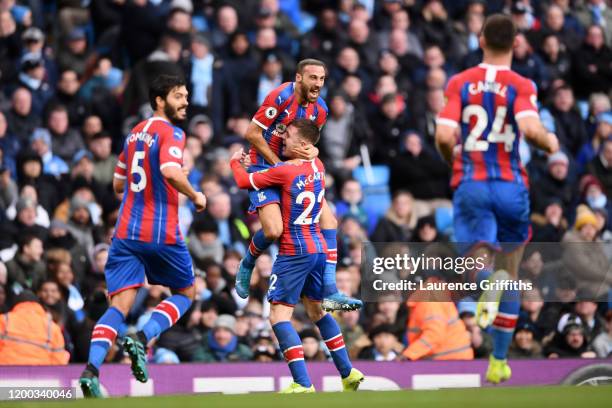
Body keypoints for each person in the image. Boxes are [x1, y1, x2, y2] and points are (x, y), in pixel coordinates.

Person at [435, 14, 559, 384]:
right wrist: (549, 142)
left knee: (475, 265)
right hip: (511, 187)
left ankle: (487, 280)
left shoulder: (460, 81)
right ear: (516, 42)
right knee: (512, 272)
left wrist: (452, 159)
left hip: (472, 182)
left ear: (481, 38)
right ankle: (499, 361)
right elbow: (530, 128)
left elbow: (444, 135)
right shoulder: (521, 83)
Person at [78, 75, 207, 398]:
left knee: (118, 306)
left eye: (186, 96)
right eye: (179, 96)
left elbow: (119, 185)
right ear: (160, 100)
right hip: (161, 231)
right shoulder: (172, 132)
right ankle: (142, 337)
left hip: (125, 234)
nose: (185, 102)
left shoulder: (134, 134)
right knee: (186, 293)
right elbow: (168, 170)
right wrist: (194, 194)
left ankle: (92, 371)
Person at [230, 119, 364, 393]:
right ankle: (348, 372)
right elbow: (311, 152)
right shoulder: (319, 166)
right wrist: (311, 150)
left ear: (303, 144)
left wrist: (234, 162)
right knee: (317, 311)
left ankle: (302, 383)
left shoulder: (284, 172)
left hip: (294, 252)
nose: (282, 140)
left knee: (279, 317)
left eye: (288, 136)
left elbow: (244, 180)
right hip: (317, 248)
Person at [236, 58, 362, 312]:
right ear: (299, 78)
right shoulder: (280, 97)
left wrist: (312, 151)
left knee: (330, 222)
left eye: (322, 79)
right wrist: (278, 167)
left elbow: (310, 141)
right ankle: (247, 263)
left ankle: (330, 290)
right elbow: (251, 133)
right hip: (266, 165)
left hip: (293, 171)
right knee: (273, 230)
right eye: (313, 78)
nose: (318, 83)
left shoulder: (321, 110)